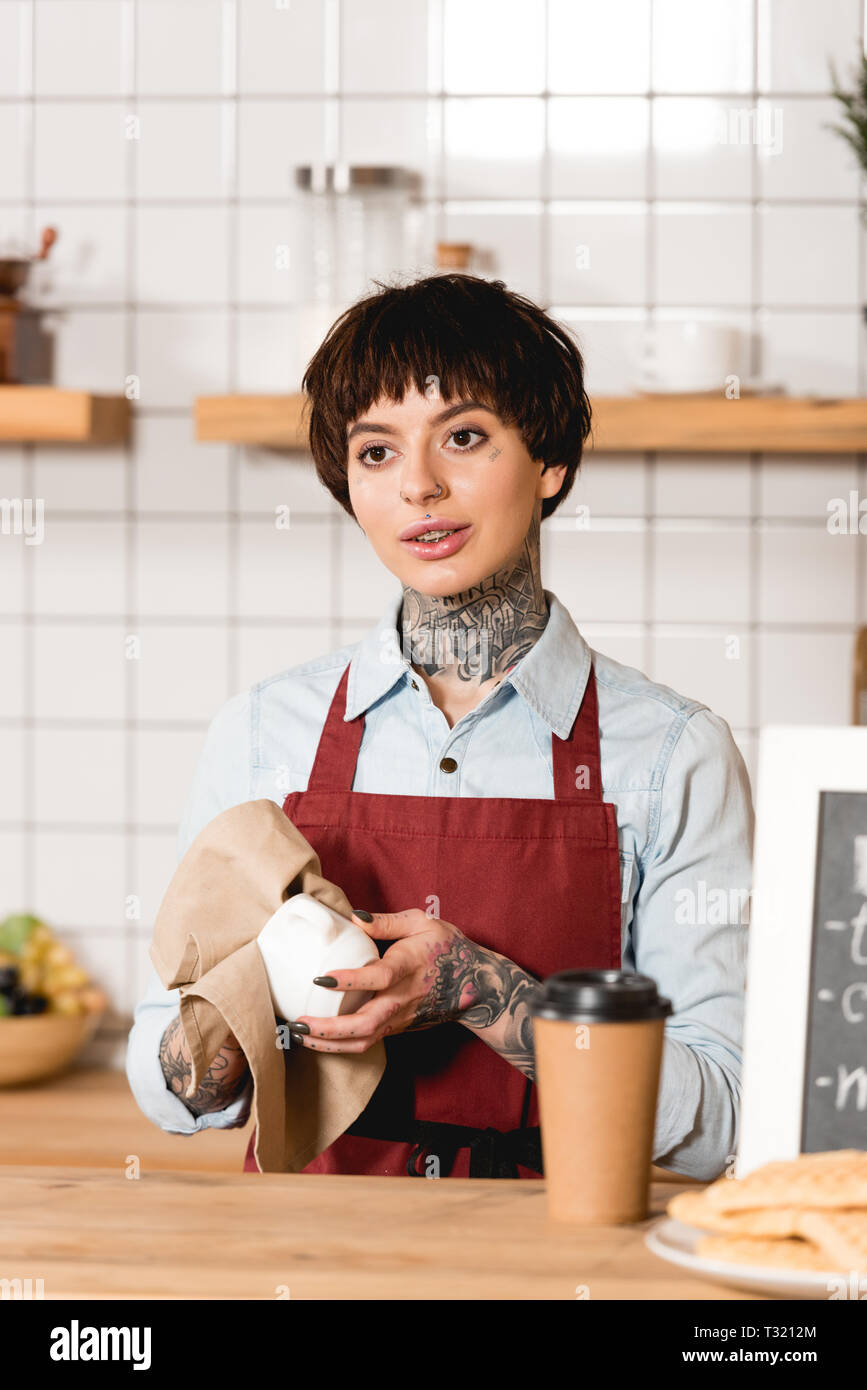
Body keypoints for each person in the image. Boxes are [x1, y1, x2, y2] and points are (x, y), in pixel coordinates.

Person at [126, 272, 753, 1182]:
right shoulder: (264, 732)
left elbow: (724, 1117)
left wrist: (482, 992)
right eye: (376, 453)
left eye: (463, 438)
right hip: (308, 1263)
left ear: (549, 462)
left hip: (560, 1254)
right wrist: (234, 1018)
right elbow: (165, 1086)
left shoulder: (670, 754)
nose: (419, 485)